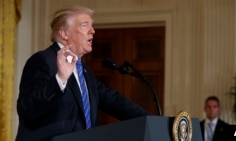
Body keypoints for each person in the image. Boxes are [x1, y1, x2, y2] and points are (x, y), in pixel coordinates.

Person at [15, 5, 149, 141]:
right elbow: (27, 108)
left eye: (92, 26)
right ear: (64, 34)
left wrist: (153, 120)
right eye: (85, 25)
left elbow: (113, 100)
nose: (93, 31)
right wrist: (59, 80)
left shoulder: (84, 71)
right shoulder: (43, 61)